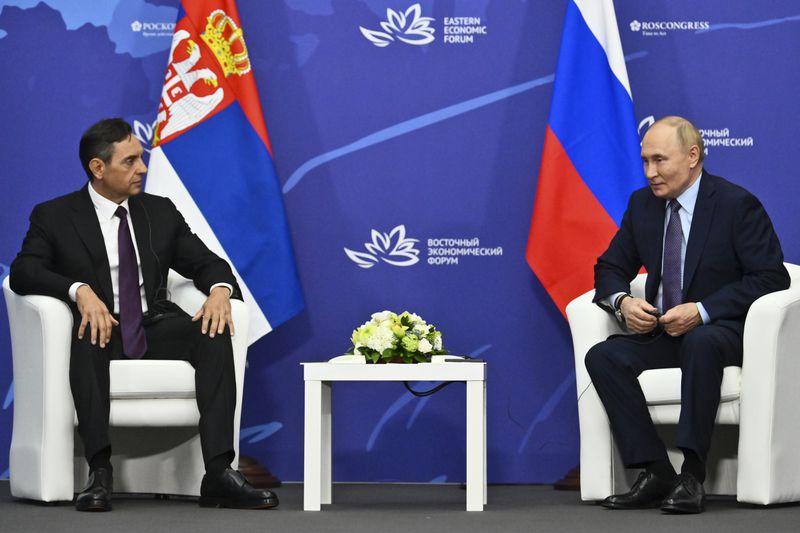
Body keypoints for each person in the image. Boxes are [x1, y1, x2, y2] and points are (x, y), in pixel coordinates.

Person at [9, 118, 278, 512]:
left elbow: (207, 263)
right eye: (130, 161)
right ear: (97, 169)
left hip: (153, 324)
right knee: (88, 333)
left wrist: (221, 291)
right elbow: (23, 271)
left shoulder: (159, 211)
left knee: (214, 330)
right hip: (101, 327)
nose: (143, 168)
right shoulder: (55, 215)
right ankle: (99, 472)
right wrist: (78, 291)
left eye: (142, 158)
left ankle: (219, 472)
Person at [585, 116, 789, 514]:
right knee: (603, 356)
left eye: (660, 160)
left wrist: (703, 311)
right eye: (644, 161)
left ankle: (693, 473)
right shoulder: (642, 205)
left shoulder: (735, 204)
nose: (650, 172)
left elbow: (771, 277)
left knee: (701, 340)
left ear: (693, 156)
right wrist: (623, 302)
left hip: (722, 334)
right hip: (664, 334)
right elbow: (609, 267)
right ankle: (657, 470)